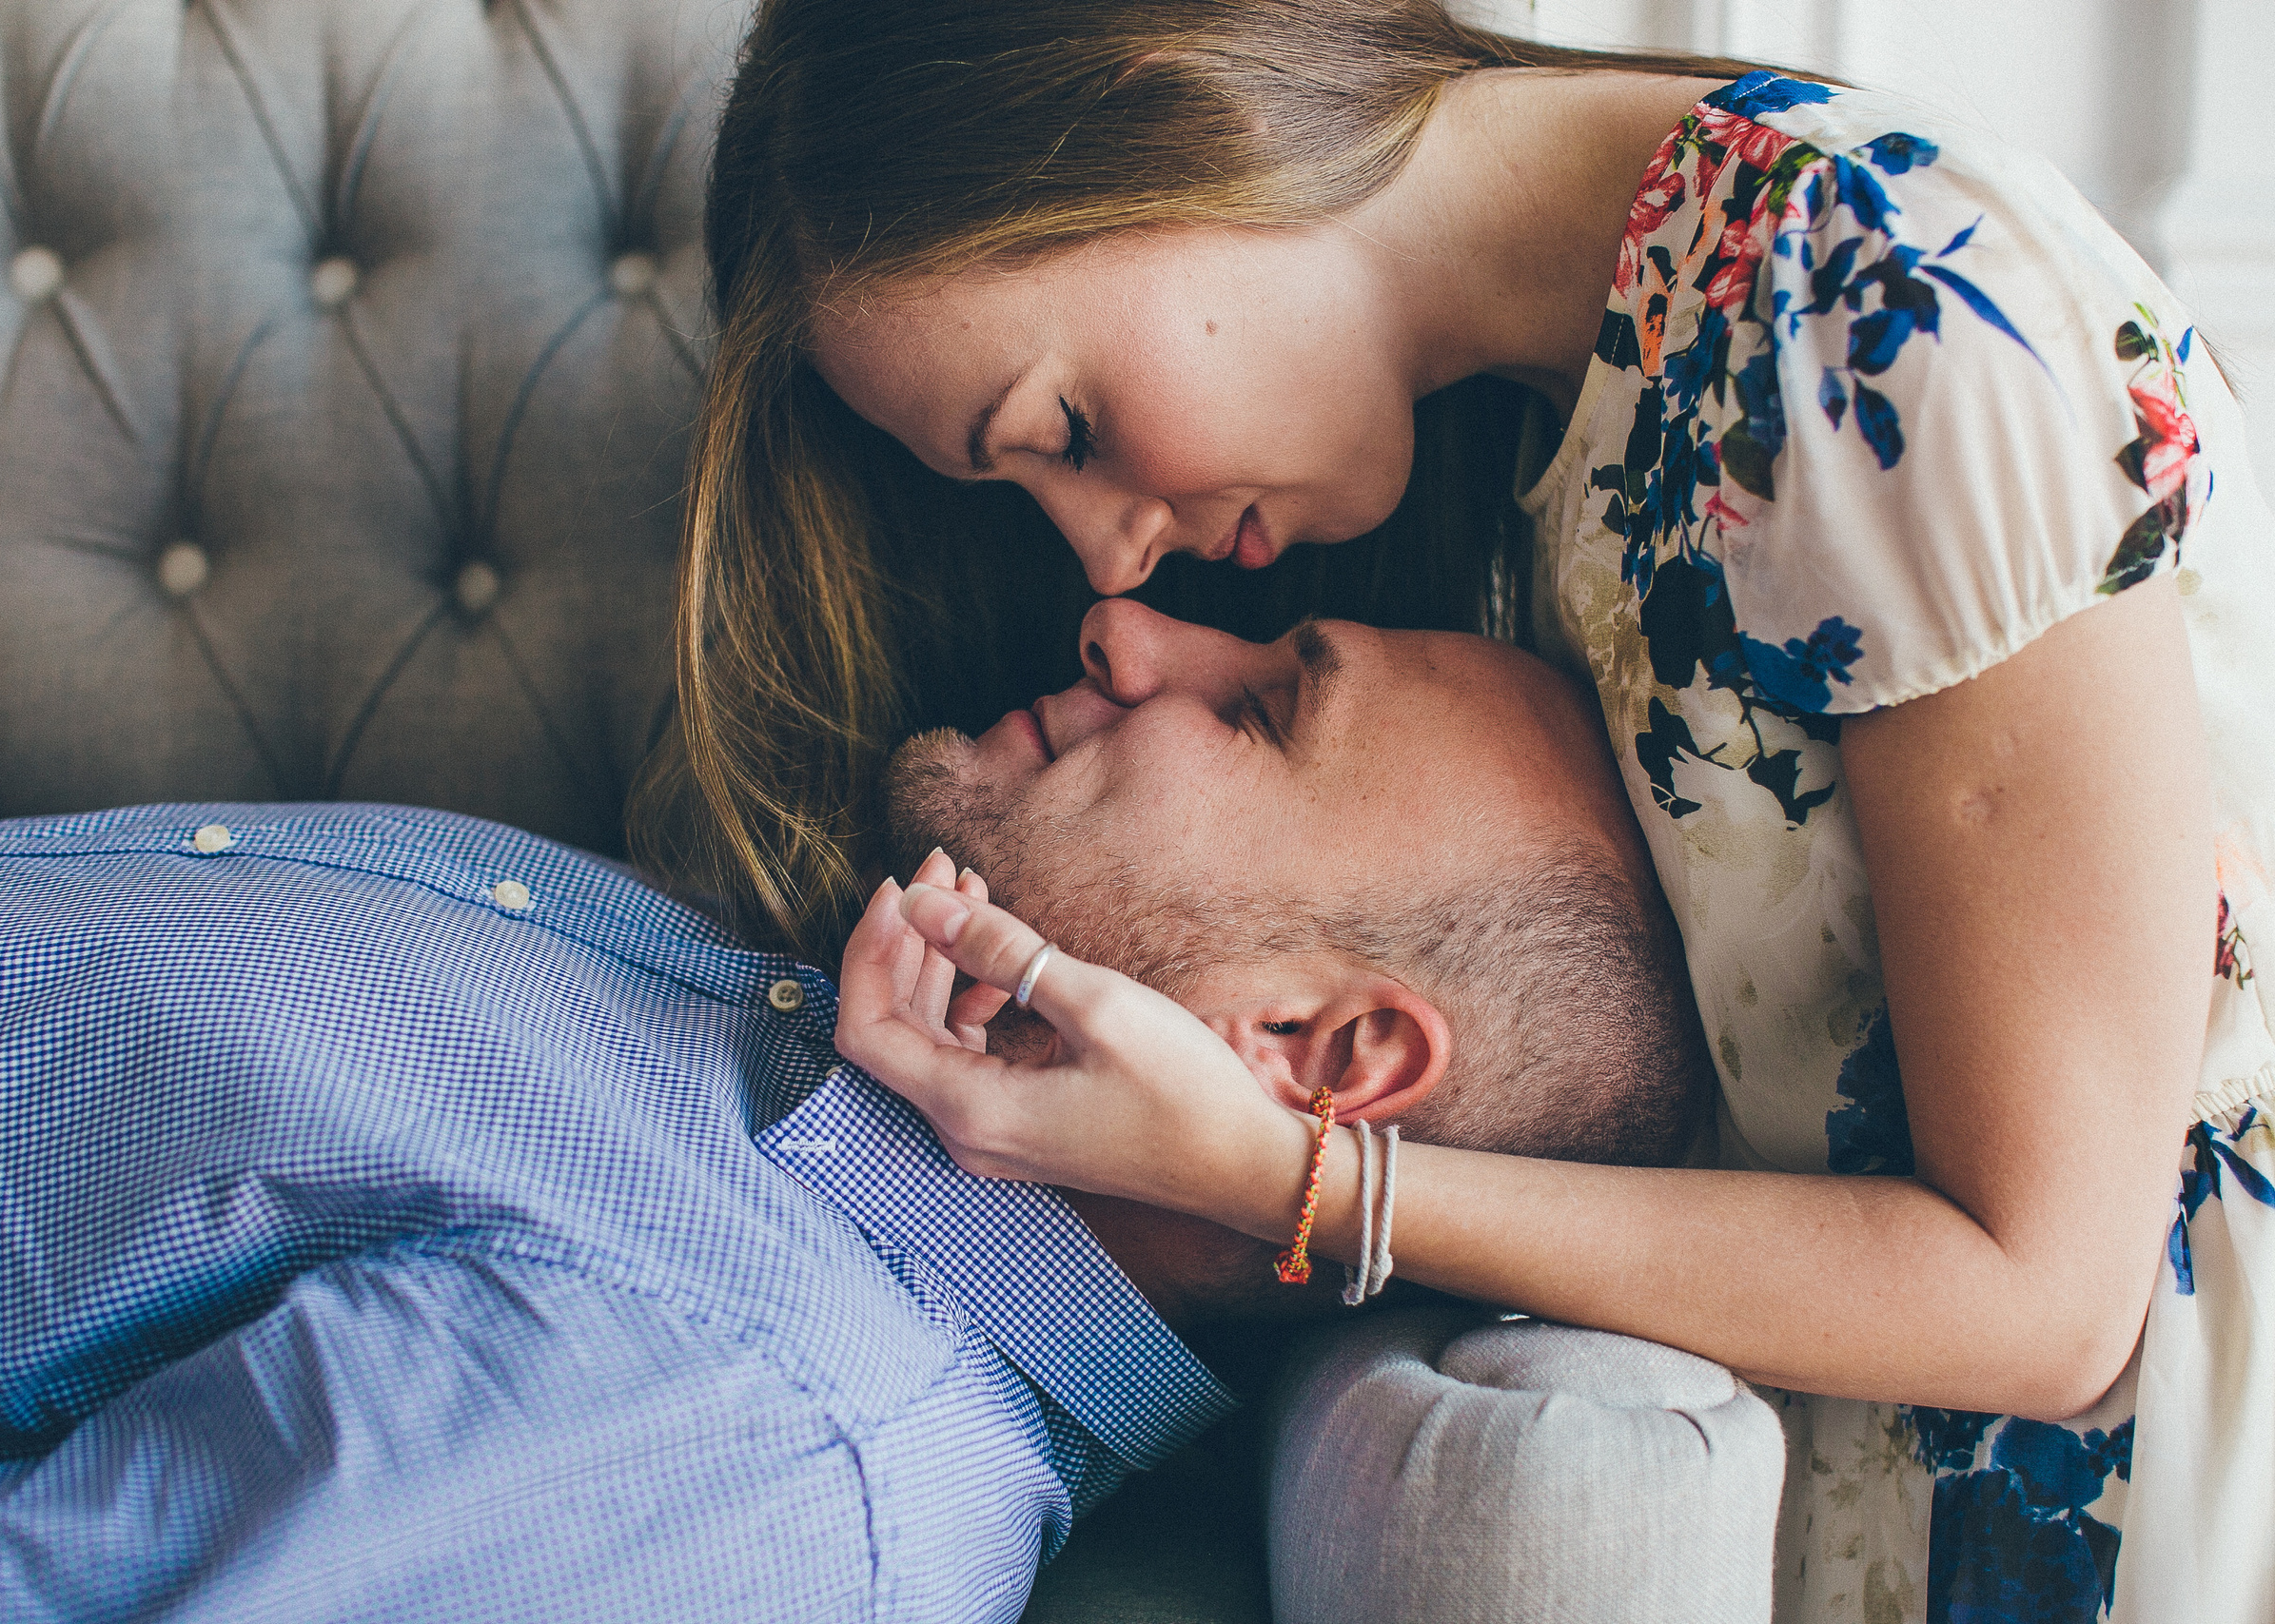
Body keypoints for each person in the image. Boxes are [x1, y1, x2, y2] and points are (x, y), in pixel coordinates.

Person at [677, 3, 2275, 1619]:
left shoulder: (1876, 308)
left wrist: (1288, 1174)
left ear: (1162, 110)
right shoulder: (1573, 399)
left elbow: (2048, 1300)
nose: (1105, 562)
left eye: (1066, 435)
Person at [0, 605, 1708, 1620]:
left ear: (1309, 1050)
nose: (1132, 628)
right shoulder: (801, 1071)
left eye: (1259, 707)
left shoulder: (761, 1449)